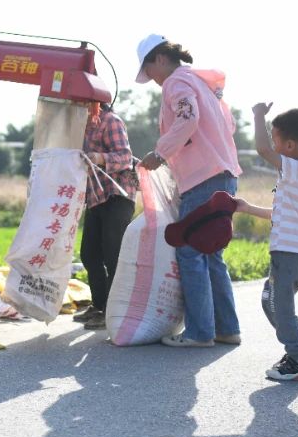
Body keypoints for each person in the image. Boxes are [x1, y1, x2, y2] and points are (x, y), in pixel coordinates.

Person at [134, 34, 243, 347]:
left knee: (190, 249)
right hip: (224, 174)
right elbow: (229, 127)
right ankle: (227, 329)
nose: (152, 78)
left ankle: (200, 333)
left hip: (202, 179)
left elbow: (187, 117)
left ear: (160, 59)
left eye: (149, 69)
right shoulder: (203, 84)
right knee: (212, 253)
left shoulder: (176, 82)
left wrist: (161, 153)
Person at [234, 103, 298, 381]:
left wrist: (259, 115)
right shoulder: (296, 174)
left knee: (280, 306)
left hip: (291, 254)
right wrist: (247, 208)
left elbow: (262, 150)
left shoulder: (297, 168)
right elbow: (278, 214)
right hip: (289, 253)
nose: (272, 146)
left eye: (276, 140)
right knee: (269, 301)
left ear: (290, 145)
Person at [74, 102, 138, 331]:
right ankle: (99, 305)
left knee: (113, 256)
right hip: (96, 197)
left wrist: (99, 157)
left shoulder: (110, 121)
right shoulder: (80, 126)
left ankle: (112, 311)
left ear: (93, 102)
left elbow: (125, 157)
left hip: (117, 195)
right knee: (89, 255)